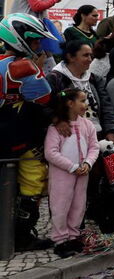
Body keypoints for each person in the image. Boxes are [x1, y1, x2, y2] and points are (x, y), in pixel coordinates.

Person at [47, 40, 114, 233]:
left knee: (99, 179)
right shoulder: (56, 78)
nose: (90, 59)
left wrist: (111, 130)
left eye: (91, 55)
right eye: (85, 55)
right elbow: (46, 105)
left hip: (95, 133)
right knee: (70, 184)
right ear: (71, 57)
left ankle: (100, 216)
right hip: (68, 136)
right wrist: (58, 119)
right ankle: (67, 229)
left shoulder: (94, 78)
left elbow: (106, 105)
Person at [0, 14, 58, 251]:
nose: (38, 45)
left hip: (9, 134)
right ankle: (22, 236)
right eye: (34, 40)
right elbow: (45, 97)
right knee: (34, 183)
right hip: (18, 137)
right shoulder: (23, 67)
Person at [44, 89, 99, 258]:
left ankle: (74, 236)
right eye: (82, 101)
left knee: (78, 204)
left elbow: (94, 147)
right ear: (70, 103)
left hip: (83, 173)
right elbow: (51, 152)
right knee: (60, 205)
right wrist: (72, 166)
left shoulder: (87, 125)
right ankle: (60, 240)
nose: (86, 104)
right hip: (63, 175)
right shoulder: (55, 128)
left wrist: (88, 163)